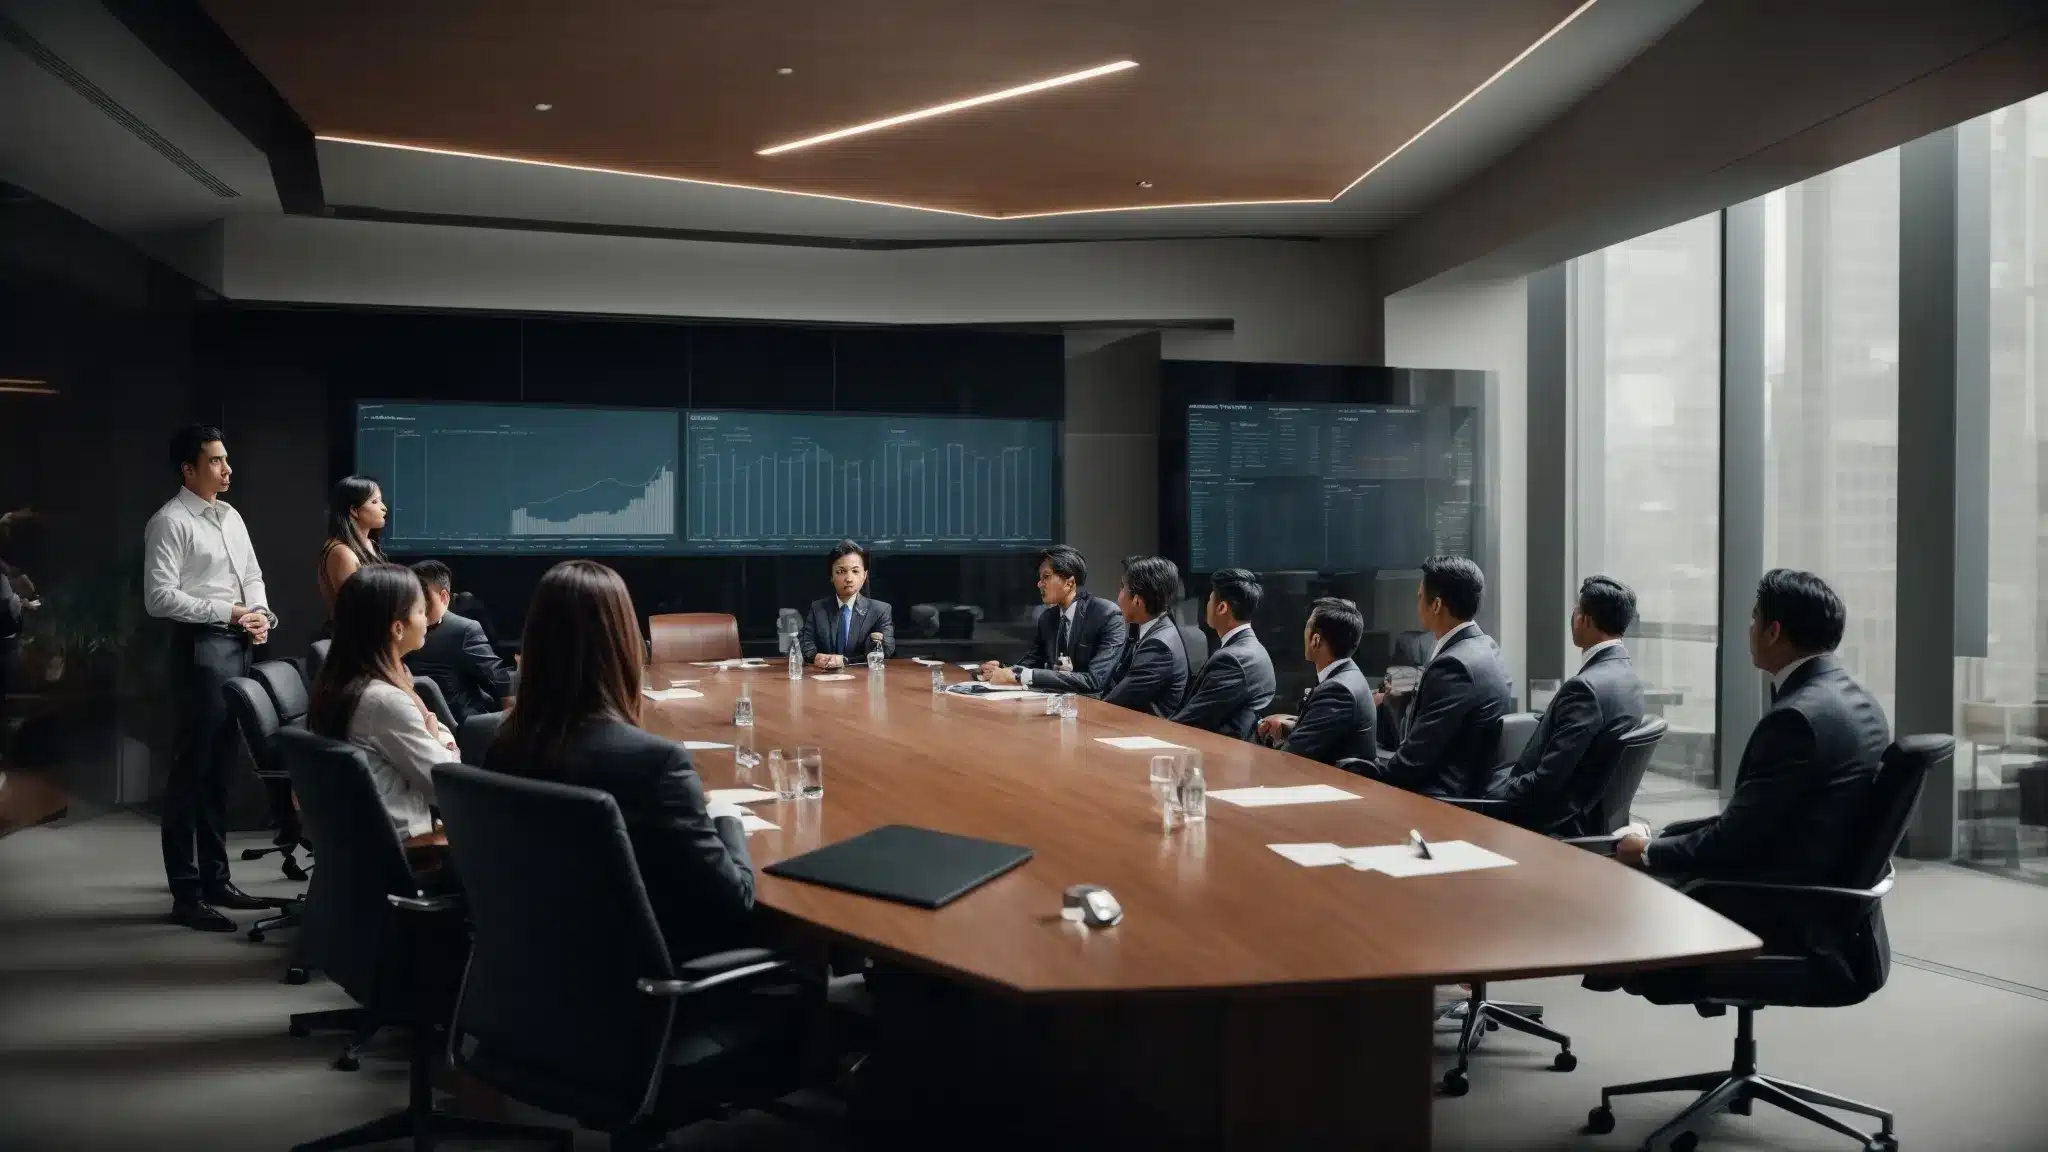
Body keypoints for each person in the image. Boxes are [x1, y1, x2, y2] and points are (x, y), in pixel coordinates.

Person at [1611, 569, 1891, 986]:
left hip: (1777, 901)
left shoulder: (1796, 718)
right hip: (1828, 898)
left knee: (1624, 885)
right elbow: (1765, 819)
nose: (1749, 629)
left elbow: (1734, 841)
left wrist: (1649, 852)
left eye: (1753, 618)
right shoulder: (1860, 701)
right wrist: (1663, 841)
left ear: (1773, 631)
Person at [476, 560, 755, 960]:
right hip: (654, 987)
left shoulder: (504, 745)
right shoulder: (656, 764)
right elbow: (735, 900)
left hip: (537, 977)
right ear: (624, 643)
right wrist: (728, 815)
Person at [142, 425, 277, 931]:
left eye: (226, 460)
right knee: (190, 773)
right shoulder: (170, 521)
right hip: (199, 649)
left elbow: (254, 576)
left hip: (236, 646)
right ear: (189, 469)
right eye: (217, 462)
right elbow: (159, 598)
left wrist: (259, 613)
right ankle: (186, 893)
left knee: (220, 770)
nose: (227, 469)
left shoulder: (231, 515)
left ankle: (217, 881)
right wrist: (230, 611)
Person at [1482, 576, 1646, 836]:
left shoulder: (1585, 689)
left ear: (1585, 619)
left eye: (1576, 610)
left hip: (1555, 820)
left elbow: (1546, 782)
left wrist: (1488, 794)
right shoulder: (1630, 679)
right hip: (1587, 811)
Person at [308, 563, 455, 852]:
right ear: (398, 628)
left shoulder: (342, 682)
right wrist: (443, 742)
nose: (426, 620)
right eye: (421, 611)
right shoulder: (385, 701)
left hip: (362, 847)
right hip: (405, 849)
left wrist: (434, 733)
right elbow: (448, 786)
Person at [1358, 556, 1514, 798]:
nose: (1417, 602)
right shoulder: (1487, 648)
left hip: (1440, 801)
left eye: (1420, 596)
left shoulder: (1453, 665)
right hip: (1469, 792)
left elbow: (1412, 763)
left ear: (1437, 605)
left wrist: (1355, 773)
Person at [980, 544, 1126, 696]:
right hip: (1054, 703)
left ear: (1069, 583)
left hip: (1095, 708)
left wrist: (1021, 675)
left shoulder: (1106, 614)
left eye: (1046, 577)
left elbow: (1095, 680)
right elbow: (1031, 661)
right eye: (1040, 578)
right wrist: (1003, 670)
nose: (1039, 584)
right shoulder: (1048, 618)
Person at [1256, 597, 1378, 766]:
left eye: (1307, 627)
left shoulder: (1338, 689)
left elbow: (1292, 755)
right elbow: (1327, 734)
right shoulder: (1349, 675)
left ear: (1315, 640)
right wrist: (1287, 727)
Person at [1168, 568, 1276, 740]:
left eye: (1210, 599)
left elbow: (1192, 720)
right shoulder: (1254, 650)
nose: (1207, 605)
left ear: (1222, 607)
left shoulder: (1232, 659)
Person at [404, 560, 514, 725]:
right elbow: (499, 680)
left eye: (424, 597)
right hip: (459, 726)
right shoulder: (464, 629)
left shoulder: (399, 631)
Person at [1102, 556, 1191, 718]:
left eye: (1123, 588)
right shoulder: (1154, 631)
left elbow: (1115, 703)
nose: (1118, 597)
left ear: (1137, 600)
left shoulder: (1158, 646)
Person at [798, 539, 896, 668]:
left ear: (865, 575)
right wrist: (814, 657)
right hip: (825, 679)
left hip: (863, 680)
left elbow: (886, 651)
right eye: (841, 571)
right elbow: (805, 642)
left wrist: (845, 661)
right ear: (832, 576)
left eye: (855, 571)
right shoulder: (818, 608)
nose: (849, 579)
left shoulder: (880, 610)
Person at [317, 475, 387, 626]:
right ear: (355, 510)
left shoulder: (371, 545)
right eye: (375, 501)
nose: (383, 507)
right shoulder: (341, 552)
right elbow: (356, 610)